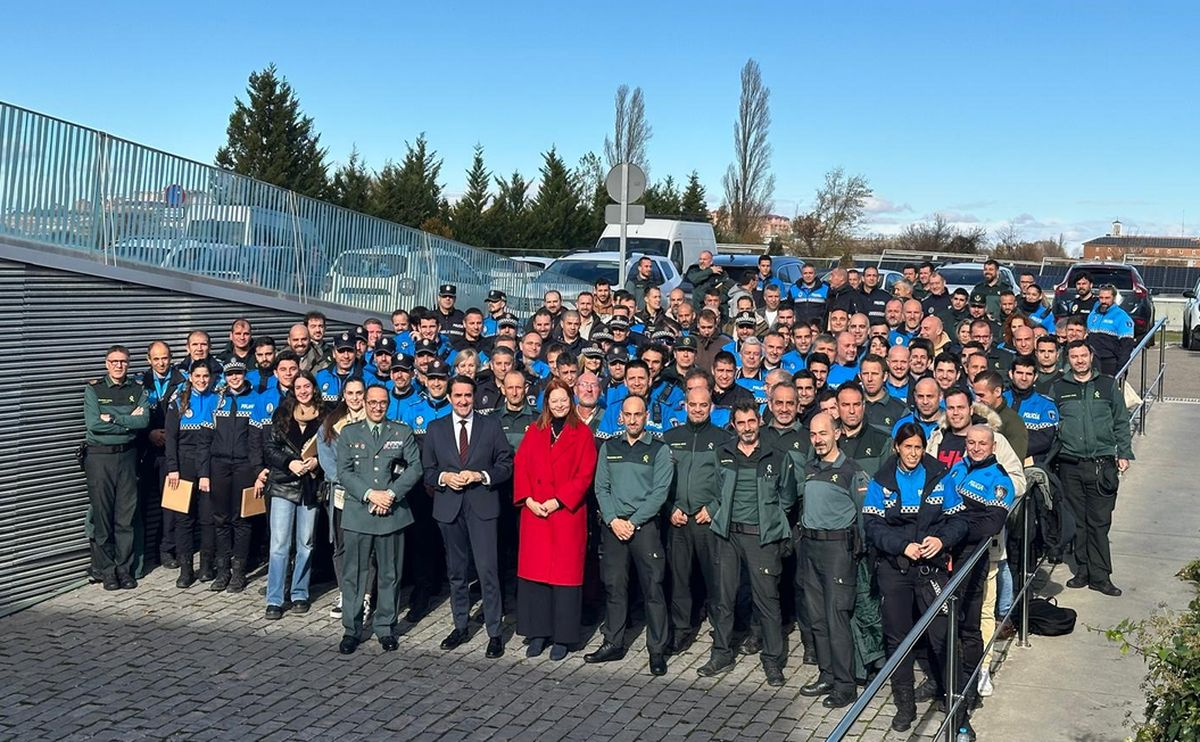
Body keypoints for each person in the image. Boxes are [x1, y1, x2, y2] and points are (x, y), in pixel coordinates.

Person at [862, 424, 967, 733]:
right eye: (907, 447)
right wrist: (901, 546)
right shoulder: (881, 481)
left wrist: (942, 540)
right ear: (897, 447)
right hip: (895, 568)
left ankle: (955, 701)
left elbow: (959, 520)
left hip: (931, 568)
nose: (912, 453)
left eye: (918, 447)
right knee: (898, 639)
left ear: (925, 448)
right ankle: (905, 704)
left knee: (942, 636)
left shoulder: (939, 475)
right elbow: (872, 526)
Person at [699, 400, 797, 686]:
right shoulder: (722, 454)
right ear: (733, 425)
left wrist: (771, 522)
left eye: (751, 422)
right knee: (724, 598)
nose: (747, 428)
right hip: (728, 536)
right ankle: (721, 653)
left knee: (767, 600)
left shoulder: (777, 456)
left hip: (761, 538)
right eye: (741, 423)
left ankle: (773, 660)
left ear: (760, 422)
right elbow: (716, 491)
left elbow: (788, 498)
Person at [423, 376, 515, 658]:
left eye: (467, 396)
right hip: (449, 508)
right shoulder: (435, 428)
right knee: (457, 572)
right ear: (449, 397)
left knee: (488, 570)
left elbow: (506, 463)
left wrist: (482, 475)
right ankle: (460, 625)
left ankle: (494, 632)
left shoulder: (490, 425)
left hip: (482, 506)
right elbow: (427, 470)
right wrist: (443, 477)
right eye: (458, 395)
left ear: (474, 397)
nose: (463, 401)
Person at [512, 379, 599, 661]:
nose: (559, 405)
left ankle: (563, 637)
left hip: (564, 514)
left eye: (563, 400)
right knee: (535, 577)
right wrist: (527, 499)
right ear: (546, 403)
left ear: (571, 400)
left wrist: (558, 500)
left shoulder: (582, 433)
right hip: (535, 513)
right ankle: (538, 633)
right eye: (554, 400)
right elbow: (521, 465)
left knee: (564, 578)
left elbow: (585, 475)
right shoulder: (535, 431)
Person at [334, 385, 423, 654]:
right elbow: (344, 471)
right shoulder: (349, 433)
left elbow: (415, 466)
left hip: (391, 513)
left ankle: (385, 627)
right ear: (363, 402)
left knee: (389, 574)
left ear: (387, 404)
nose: (376, 407)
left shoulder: (401, 431)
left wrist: (391, 495)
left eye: (382, 403)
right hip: (359, 512)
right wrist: (371, 494)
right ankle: (352, 629)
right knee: (354, 575)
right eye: (371, 402)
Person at [588, 395, 673, 675]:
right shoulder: (610, 447)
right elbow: (601, 488)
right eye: (628, 414)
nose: (633, 419)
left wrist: (633, 522)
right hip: (614, 527)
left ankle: (657, 650)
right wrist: (613, 520)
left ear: (646, 416)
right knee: (614, 586)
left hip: (644, 527)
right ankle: (613, 642)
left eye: (638, 414)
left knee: (653, 588)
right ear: (621, 417)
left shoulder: (659, 450)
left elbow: (660, 493)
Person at [942, 425, 1016, 739]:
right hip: (946, 556)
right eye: (970, 442)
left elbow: (991, 523)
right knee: (945, 624)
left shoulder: (999, 480)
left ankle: (969, 687)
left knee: (970, 626)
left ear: (992, 446)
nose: (975, 447)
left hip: (973, 559)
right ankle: (945, 681)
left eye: (981, 443)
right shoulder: (957, 468)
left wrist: (956, 525)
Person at [798, 412, 870, 709]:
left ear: (837, 433)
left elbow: (865, 517)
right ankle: (827, 674)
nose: (818, 440)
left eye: (823, 433)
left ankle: (845, 684)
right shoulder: (809, 467)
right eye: (814, 434)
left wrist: (861, 554)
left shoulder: (852, 471)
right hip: (810, 547)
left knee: (836, 617)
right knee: (817, 617)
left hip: (839, 550)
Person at [1049, 340, 1133, 596]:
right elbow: (1053, 423)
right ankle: (1083, 570)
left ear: (1091, 356)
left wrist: (1124, 453)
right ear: (1068, 359)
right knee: (1078, 522)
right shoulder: (1059, 388)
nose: (1079, 360)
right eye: (1074, 356)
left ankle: (1101, 575)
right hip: (1070, 464)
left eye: (1083, 355)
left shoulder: (1107, 385)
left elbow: (1120, 421)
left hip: (1102, 464)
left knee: (1099, 522)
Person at [662, 387, 732, 655]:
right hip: (678, 519)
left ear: (711, 407)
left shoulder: (723, 439)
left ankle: (721, 629)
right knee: (679, 578)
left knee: (715, 579)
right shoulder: (671, 438)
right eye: (693, 405)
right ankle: (681, 630)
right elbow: (661, 481)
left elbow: (729, 481)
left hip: (707, 520)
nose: (698, 409)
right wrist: (670, 508)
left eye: (703, 405)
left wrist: (714, 508)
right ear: (685, 406)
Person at [84, 345, 150, 591]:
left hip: (127, 457)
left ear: (129, 364)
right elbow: (93, 425)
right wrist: (127, 422)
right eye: (114, 361)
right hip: (100, 458)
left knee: (126, 517)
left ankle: (125, 569)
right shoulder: (94, 390)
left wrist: (113, 418)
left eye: (123, 361)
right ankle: (107, 571)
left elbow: (142, 421)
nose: (118, 365)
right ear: (106, 364)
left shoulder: (137, 389)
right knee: (102, 517)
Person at [262, 371, 325, 620]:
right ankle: (275, 598)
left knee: (306, 544)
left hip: (310, 485)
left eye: (306, 386)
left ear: (314, 387)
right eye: (298, 387)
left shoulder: (324, 415)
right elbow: (269, 447)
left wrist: (316, 462)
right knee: (279, 545)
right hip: (283, 484)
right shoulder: (282, 413)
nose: (302, 391)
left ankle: (299, 592)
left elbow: (333, 447)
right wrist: (289, 463)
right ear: (293, 390)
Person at [200, 359, 260, 593]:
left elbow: (257, 442)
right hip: (219, 466)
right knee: (220, 518)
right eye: (230, 374)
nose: (235, 377)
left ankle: (239, 572)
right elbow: (203, 442)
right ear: (225, 377)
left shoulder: (254, 399)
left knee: (242, 520)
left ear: (245, 375)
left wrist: (257, 472)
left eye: (238, 373)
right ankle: (222, 570)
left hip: (244, 466)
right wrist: (203, 474)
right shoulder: (216, 401)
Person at [316, 379, 368, 620]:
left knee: (368, 548)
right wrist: (348, 481)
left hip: (368, 494)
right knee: (342, 545)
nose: (355, 398)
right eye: (350, 393)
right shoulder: (331, 423)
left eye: (359, 393)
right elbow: (326, 460)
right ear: (343, 395)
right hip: (341, 493)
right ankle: (346, 593)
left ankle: (366, 595)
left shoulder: (374, 418)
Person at [163, 360, 217, 588]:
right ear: (191, 377)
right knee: (183, 519)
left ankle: (206, 566)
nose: (202, 380)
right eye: (198, 376)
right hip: (183, 466)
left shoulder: (218, 400)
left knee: (207, 517)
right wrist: (172, 468)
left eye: (206, 376)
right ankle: (185, 570)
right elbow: (171, 439)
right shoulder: (178, 402)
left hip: (209, 467)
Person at [1086, 284, 1135, 375]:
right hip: (1092, 361)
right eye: (1101, 298)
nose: (1103, 301)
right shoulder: (1093, 314)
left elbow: (1127, 347)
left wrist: (1120, 369)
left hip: (1110, 362)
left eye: (1107, 298)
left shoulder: (1122, 317)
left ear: (1114, 298)